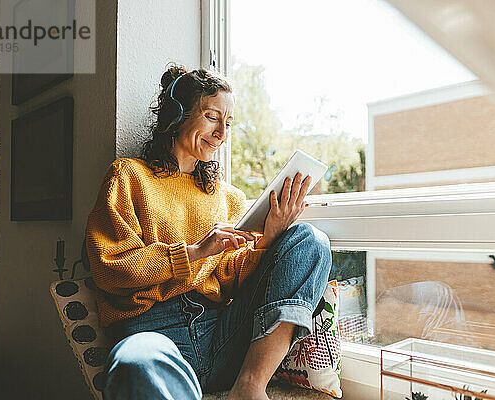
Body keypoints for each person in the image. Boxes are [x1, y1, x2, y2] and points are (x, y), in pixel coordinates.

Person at [85, 65, 331, 400]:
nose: (221, 134)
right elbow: (108, 268)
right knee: (133, 363)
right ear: (178, 115)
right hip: (152, 332)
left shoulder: (226, 197)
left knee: (309, 240)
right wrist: (196, 251)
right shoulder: (129, 178)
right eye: (212, 116)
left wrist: (270, 237)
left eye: (228, 123)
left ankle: (249, 386)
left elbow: (229, 278)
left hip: (221, 335)